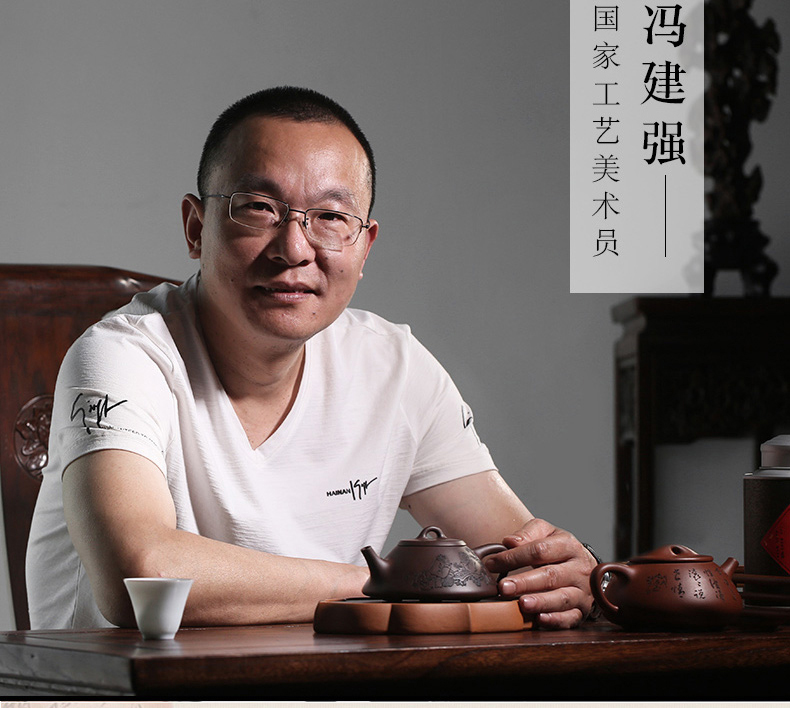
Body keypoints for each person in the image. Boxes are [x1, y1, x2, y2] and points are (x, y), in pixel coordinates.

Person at [26, 85, 597, 631]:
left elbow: (515, 559)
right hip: (120, 697)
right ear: (196, 228)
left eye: (330, 217)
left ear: (365, 246)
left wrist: (567, 574)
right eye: (259, 208)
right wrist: (386, 583)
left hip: (316, 691)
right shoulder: (123, 356)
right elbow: (140, 574)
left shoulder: (395, 369)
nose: (294, 249)